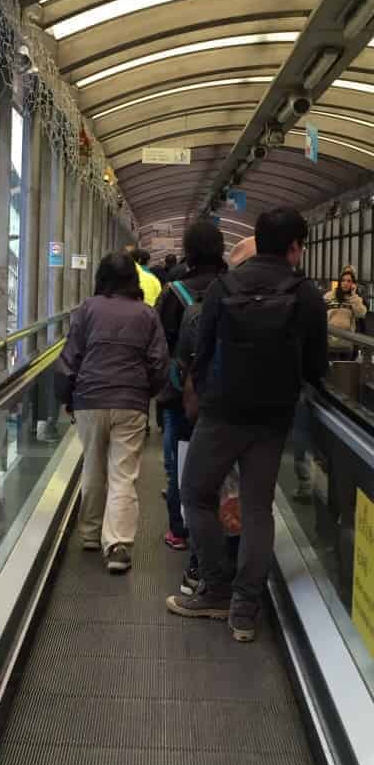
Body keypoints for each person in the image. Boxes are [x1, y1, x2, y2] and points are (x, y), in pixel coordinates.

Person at [167, 208, 327, 642]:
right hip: (274, 417)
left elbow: (202, 349)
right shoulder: (306, 293)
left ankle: (215, 588)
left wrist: (207, 391)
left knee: (195, 494)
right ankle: (244, 609)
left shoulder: (225, 286)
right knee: (258, 508)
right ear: (295, 247)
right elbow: (316, 365)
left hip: (222, 412)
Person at [55, 252, 169, 573]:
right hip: (131, 402)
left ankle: (90, 534)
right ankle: (117, 545)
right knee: (123, 475)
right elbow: (159, 362)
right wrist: (146, 394)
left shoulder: (88, 309)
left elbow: (70, 356)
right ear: (133, 280)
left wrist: (67, 396)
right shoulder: (147, 314)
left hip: (89, 398)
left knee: (92, 467)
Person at [155, 220, 226, 552]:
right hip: (224, 393)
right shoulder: (231, 288)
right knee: (222, 468)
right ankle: (219, 530)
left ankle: (179, 531)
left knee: (178, 464)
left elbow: (160, 346)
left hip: (181, 394)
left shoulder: (173, 293)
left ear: (189, 251)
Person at [325, 265, 366, 360]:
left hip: (347, 344)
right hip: (330, 343)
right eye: (343, 280)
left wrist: (353, 295)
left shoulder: (355, 299)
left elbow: (361, 314)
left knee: (346, 372)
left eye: (349, 281)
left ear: (353, 283)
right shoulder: (329, 296)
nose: (345, 283)